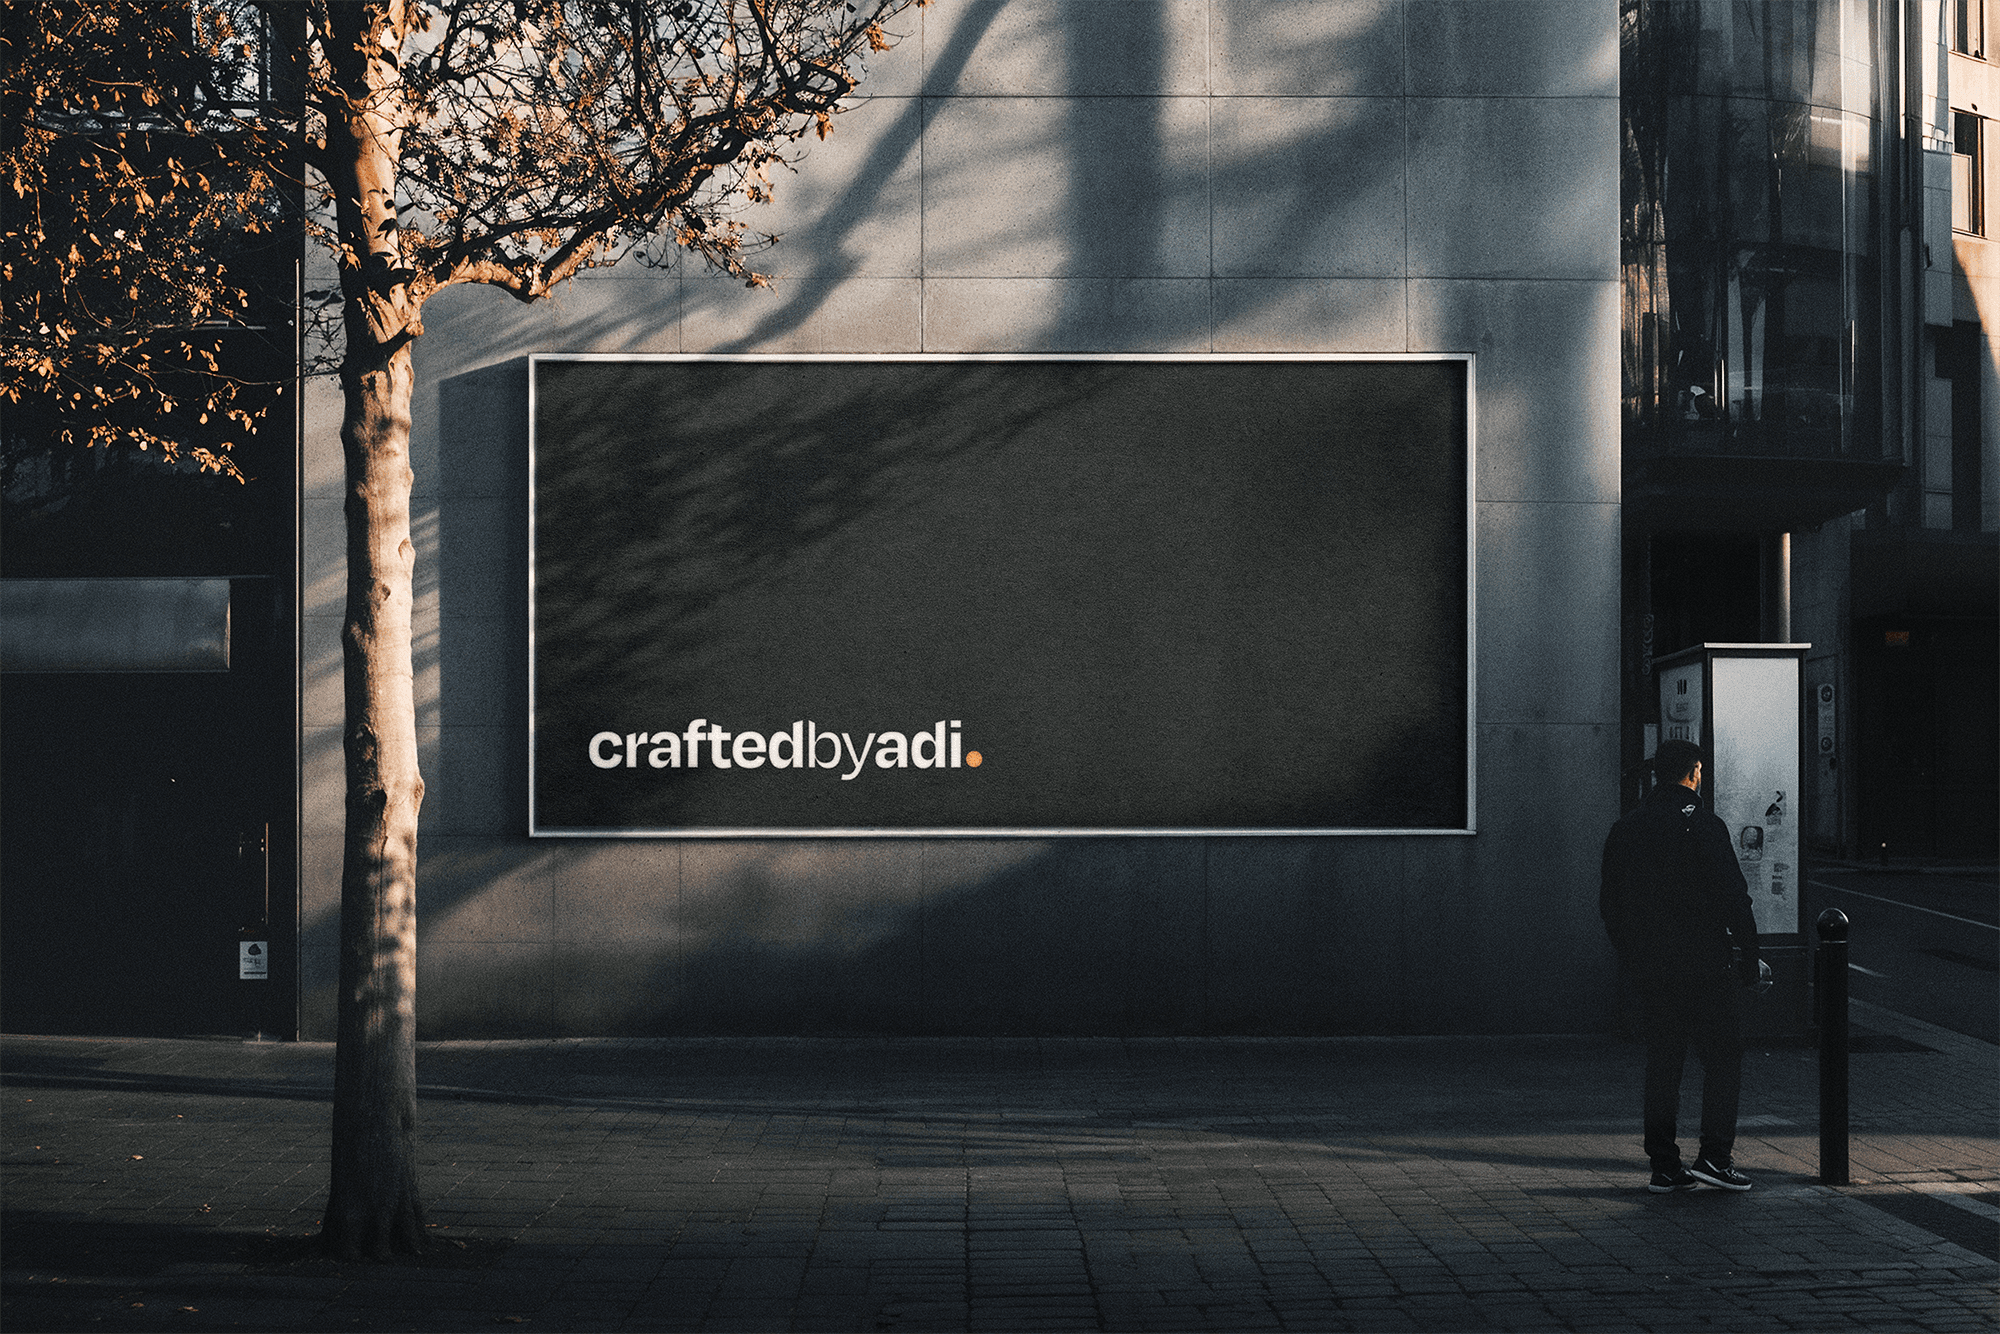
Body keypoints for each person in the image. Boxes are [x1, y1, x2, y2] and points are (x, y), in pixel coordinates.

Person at [1600, 739, 1761, 1193]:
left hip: (1653, 969)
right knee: (1723, 1058)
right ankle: (1714, 1156)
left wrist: (1632, 958)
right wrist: (1749, 957)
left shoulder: (1626, 828)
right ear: (1694, 773)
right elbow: (1734, 898)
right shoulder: (1707, 827)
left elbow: (1610, 905)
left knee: (1664, 1064)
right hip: (1707, 966)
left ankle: (1664, 1165)